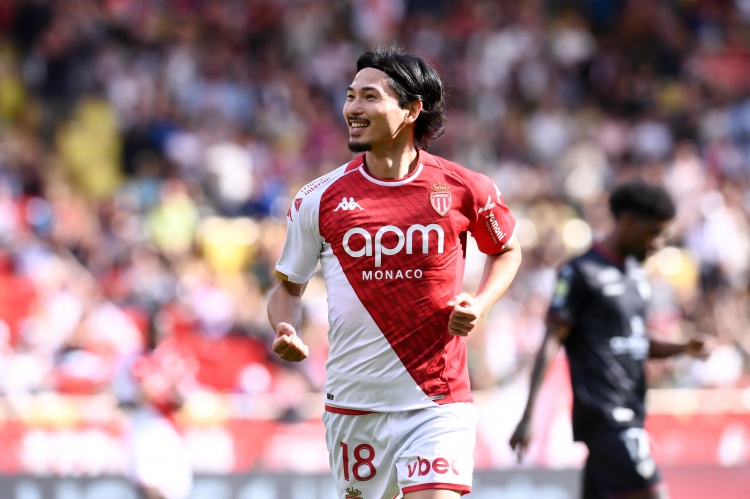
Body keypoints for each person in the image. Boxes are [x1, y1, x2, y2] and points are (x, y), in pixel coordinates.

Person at [267, 44, 522, 499]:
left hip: (437, 401)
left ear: (411, 110)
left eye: (370, 96)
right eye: (350, 96)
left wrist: (480, 305)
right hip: (355, 405)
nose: (353, 108)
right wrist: (286, 327)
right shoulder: (317, 198)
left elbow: (506, 250)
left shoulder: (465, 188)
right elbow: (287, 287)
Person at [509, 179, 714, 499]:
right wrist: (528, 414)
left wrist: (683, 347)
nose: (658, 243)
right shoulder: (580, 272)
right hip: (605, 414)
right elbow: (551, 341)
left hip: (632, 410)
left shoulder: (635, 275)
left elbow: (635, 340)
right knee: (653, 494)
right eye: (654, 232)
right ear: (629, 222)